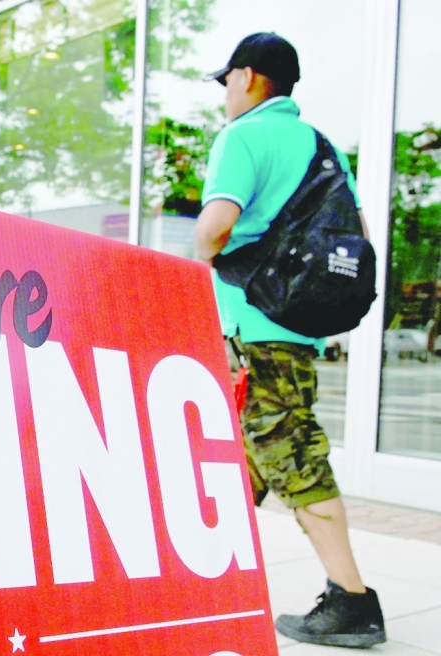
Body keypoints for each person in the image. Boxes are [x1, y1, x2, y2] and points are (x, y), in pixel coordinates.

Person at [194, 33, 386, 649]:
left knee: (292, 454)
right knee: (245, 453)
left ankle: (352, 600)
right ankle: (208, 577)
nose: (224, 93)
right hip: (295, 326)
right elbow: (352, 232)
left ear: (248, 77)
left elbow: (214, 230)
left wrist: (198, 263)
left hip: (255, 329)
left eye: (227, 80)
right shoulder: (321, 146)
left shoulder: (243, 137)